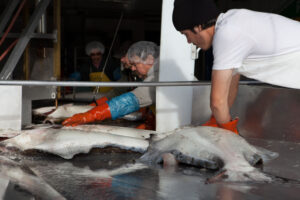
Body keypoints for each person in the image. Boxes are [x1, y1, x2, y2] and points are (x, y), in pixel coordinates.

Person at [172, 0, 300, 134]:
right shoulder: (232, 21)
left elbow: (217, 102)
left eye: (186, 34)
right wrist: (217, 120)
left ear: (198, 27)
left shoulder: (227, 34)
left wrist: (228, 134)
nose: (188, 41)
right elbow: (231, 80)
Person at [62, 41, 159, 128]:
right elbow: (117, 92)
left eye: (135, 64)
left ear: (149, 59)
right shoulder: (151, 70)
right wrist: (94, 106)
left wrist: (91, 115)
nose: (133, 68)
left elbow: (133, 99)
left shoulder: (158, 75)